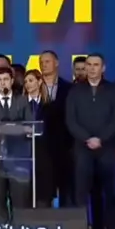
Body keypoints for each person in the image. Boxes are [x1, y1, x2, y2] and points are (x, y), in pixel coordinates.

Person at [66, 53, 115, 229]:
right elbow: (71, 120)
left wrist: (101, 139)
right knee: (81, 192)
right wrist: (87, 138)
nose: (91, 68)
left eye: (95, 65)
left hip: (106, 148)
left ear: (103, 68)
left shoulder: (113, 90)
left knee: (108, 191)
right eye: (89, 64)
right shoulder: (75, 91)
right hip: (82, 148)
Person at [0, 66, 33, 224]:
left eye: (5, 79)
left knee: (20, 202)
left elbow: (30, 126)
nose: (2, 83)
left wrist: (17, 128)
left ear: (12, 81)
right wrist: (6, 128)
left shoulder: (22, 101)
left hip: (18, 159)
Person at [39, 50, 74, 206]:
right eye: (41, 62)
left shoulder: (69, 88)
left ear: (57, 63)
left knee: (67, 190)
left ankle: (68, 220)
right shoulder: (33, 86)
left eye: (47, 61)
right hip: (41, 146)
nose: (44, 65)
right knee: (43, 193)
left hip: (64, 146)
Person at [23, 69, 54, 208]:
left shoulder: (50, 106)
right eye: (25, 82)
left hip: (45, 155)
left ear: (39, 81)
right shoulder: (19, 105)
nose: (27, 84)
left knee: (43, 196)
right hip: (24, 155)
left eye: (31, 80)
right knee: (25, 196)